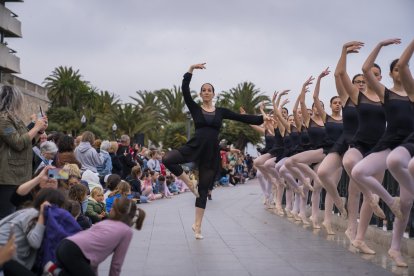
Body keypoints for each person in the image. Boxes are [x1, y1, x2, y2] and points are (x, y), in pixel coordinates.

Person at [162, 63, 265, 239]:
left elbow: (241, 117)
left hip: (211, 152)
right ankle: (188, 182)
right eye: (204, 90)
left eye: (210, 90)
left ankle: (197, 226)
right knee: (168, 159)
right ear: (201, 94)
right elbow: (185, 91)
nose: (207, 92)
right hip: (195, 145)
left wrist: (263, 118)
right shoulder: (195, 108)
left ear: (213, 94)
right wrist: (190, 69)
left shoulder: (220, 111)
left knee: (203, 190)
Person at [45, 197, 146, 276]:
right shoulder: (126, 231)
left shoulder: (105, 223)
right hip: (74, 252)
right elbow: (116, 264)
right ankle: (55, 270)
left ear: (117, 211)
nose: (109, 209)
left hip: (65, 245)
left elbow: (94, 258)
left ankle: (54, 269)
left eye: (112, 208)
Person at [386, 39, 414, 267]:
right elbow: (404, 65)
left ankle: (395, 248)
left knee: (405, 202)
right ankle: (395, 248)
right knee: (395, 160)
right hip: (410, 143)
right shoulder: (411, 92)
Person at [0, 85, 48, 219]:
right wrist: (36, 126)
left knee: (17, 214)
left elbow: (28, 142)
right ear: (13, 100)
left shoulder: (14, 119)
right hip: (8, 177)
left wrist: (39, 131)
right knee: (6, 216)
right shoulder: (3, 120)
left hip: (19, 175)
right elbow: (18, 143)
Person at [0, 188, 66, 271]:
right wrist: (42, 214)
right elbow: (35, 242)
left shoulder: (29, 210)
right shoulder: (34, 214)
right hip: (5, 256)